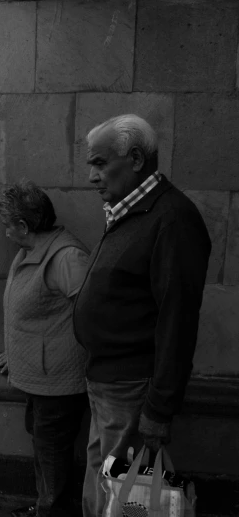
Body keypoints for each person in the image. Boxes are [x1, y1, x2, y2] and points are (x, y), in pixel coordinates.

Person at [74, 115, 211, 517]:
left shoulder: (171, 219)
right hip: (107, 380)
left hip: (132, 388)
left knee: (120, 495)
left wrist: (159, 408)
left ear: (135, 159)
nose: (92, 176)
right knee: (103, 484)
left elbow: (179, 321)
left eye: (100, 164)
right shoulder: (130, 209)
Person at [0, 180, 91, 517]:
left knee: (51, 457)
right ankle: (45, 508)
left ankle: (53, 512)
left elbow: (94, 316)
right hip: (41, 378)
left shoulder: (66, 257)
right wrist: (17, 350)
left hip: (58, 384)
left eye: (7, 225)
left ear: (23, 225)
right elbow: (37, 317)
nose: (5, 232)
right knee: (45, 450)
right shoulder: (34, 250)